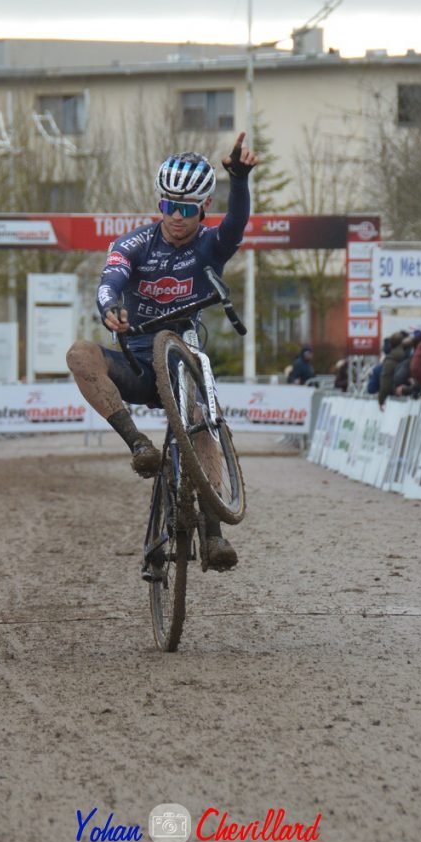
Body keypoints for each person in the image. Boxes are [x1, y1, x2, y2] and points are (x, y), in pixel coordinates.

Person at [65, 133, 256, 573]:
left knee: (202, 423)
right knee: (79, 354)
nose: (175, 217)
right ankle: (138, 445)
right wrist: (110, 308)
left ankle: (214, 534)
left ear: (203, 209)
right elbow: (110, 279)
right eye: (168, 206)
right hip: (134, 362)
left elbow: (237, 226)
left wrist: (239, 180)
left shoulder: (211, 245)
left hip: (183, 359)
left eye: (186, 209)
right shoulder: (133, 244)